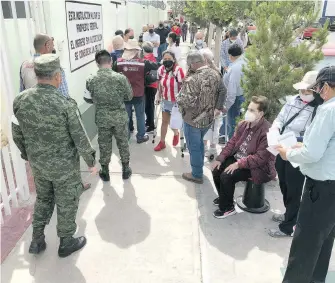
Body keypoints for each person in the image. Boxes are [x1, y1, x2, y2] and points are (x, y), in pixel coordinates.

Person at [12, 54, 96, 257]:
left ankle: (37, 240)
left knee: (44, 199)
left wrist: (27, 154)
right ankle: (66, 242)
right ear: (58, 76)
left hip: (39, 164)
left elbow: (16, 132)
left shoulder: (20, 100)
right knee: (67, 201)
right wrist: (91, 161)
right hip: (64, 166)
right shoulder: (65, 103)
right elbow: (80, 136)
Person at [277, 66, 335, 283]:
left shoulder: (329, 110)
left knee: (305, 246)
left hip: (320, 190)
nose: (317, 93)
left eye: (318, 88)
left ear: (326, 87)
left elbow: (312, 154)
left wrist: (288, 153)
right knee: (323, 242)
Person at [20, 33, 91, 190]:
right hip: (55, 117)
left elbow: (22, 92)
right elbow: (63, 96)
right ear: (47, 46)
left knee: (41, 154)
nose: (53, 46)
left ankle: (47, 187)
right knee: (67, 154)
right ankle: (75, 185)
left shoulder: (24, 65)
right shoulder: (55, 67)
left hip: (33, 119)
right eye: (52, 43)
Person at [269, 71, 319, 238]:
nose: (304, 94)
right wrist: (276, 128)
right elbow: (281, 118)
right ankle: (288, 214)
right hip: (281, 146)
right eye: (302, 91)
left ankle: (288, 226)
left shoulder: (320, 109)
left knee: (294, 189)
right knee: (283, 182)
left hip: (297, 152)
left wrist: (296, 140)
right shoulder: (292, 101)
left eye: (308, 92)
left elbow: (315, 136)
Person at [211, 96, 276, 218]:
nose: (248, 112)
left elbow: (260, 158)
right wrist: (220, 158)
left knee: (227, 175)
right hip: (241, 160)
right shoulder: (244, 125)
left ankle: (228, 208)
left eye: (252, 110)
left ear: (261, 113)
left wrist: (238, 164)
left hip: (258, 168)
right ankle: (224, 198)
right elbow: (232, 143)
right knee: (216, 168)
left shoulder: (267, 131)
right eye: (248, 108)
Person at [84, 50, 133, 182]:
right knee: (123, 143)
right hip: (119, 117)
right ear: (111, 62)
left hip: (102, 118)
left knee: (104, 144)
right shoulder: (120, 78)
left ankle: (105, 171)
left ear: (97, 63)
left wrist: (99, 101)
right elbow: (129, 96)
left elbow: (87, 99)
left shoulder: (91, 79)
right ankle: (126, 169)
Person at [177, 52, 221, 184]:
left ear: (193, 64)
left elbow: (186, 101)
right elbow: (221, 92)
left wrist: (179, 98)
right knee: (200, 144)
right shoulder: (215, 74)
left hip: (193, 120)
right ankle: (199, 168)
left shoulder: (193, 79)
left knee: (194, 147)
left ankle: (196, 174)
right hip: (208, 118)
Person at [115, 40, 149, 143]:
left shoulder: (118, 62)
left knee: (126, 116)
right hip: (138, 94)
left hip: (124, 95)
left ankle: (126, 137)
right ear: (136, 51)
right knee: (140, 116)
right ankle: (140, 136)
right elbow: (155, 67)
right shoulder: (143, 63)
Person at [199, 48, 227, 159]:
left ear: (205, 59)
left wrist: (218, 107)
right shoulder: (200, 70)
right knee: (204, 128)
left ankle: (212, 149)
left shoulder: (215, 72)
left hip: (213, 107)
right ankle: (205, 148)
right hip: (203, 107)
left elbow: (223, 90)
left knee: (214, 129)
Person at [154, 51, 185, 151]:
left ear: (174, 59)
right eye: (165, 59)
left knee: (173, 122)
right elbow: (159, 83)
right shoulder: (161, 69)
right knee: (164, 122)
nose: (167, 61)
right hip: (165, 99)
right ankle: (162, 142)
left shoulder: (178, 70)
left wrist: (181, 100)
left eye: (169, 59)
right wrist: (158, 95)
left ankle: (176, 133)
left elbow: (183, 86)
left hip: (176, 101)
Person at [219, 44, 247, 140]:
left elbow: (232, 90)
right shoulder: (243, 62)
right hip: (240, 97)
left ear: (231, 56)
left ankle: (231, 150)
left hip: (235, 100)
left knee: (233, 127)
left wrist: (226, 106)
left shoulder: (236, 68)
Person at [142, 42, 158, 133]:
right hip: (153, 85)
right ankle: (149, 122)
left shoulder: (146, 60)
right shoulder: (154, 58)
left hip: (148, 86)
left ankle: (151, 125)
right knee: (150, 105)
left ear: (144, 50)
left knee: (149, 106)